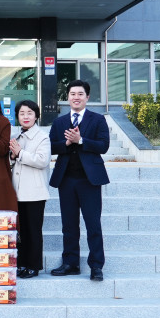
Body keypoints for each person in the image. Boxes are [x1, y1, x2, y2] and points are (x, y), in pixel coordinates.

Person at [49, 80, 109, 282]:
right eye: (72, 94)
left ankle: (96, 266)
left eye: (80, 94)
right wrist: (67, 143)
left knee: (93, 224)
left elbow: (103, 146)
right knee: (69, 225)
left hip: (89, 180)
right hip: (66, 179)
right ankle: (70, 263)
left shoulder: (98, 119)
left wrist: (81, 140)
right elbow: (51, 147)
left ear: (87, 97)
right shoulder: (59, 122)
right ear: (67, 97)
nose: (76, 97)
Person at [9, 100, 51, 279]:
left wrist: (19, 153)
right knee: (21, 231)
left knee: (33, 231)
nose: (25, 116)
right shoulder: (17, 136)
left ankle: (34, 266)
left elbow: (42, 160)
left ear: (36, 116)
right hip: (18, 191)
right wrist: (12, 157)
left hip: (34, 192)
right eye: (22, 113)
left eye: (29, 113)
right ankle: (22, 263)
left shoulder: (42, 137)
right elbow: (12, 162)